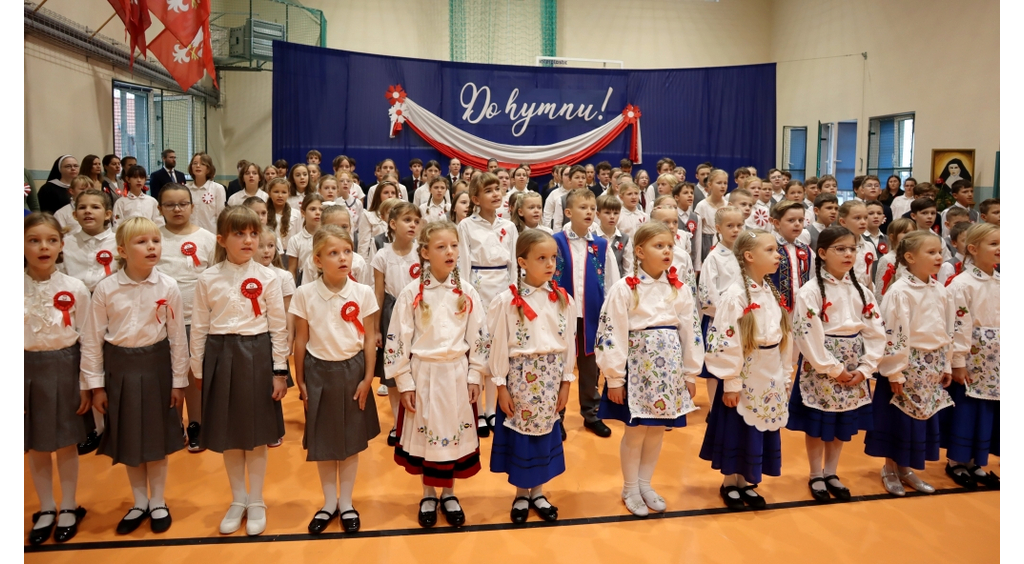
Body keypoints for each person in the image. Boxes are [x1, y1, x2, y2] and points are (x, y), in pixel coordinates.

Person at [81, 217, 188, 535]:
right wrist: (96, 385)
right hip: (120, 370)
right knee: (129, 437)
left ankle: (158, 501)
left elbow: (176, 337)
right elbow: (92, 339)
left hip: (156, 367)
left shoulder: (168, 286)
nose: (151, 247)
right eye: (141, 242)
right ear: (122, 250)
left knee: (155, 438)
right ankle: (139, 501)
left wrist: (178, 381)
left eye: (155, 241)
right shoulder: (106, 288)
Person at [190, 206, 290, 536]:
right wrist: (198, 369)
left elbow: (278, 326)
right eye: (239, 234)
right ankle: (238, 499)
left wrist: (279, 371)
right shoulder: (207, 278)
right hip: (220, 356)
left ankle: (257, 500)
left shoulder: (268, 277)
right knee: (230, 435)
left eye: (252, 233)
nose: (248, 240)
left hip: (256, 354)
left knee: (256, 434)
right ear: (221, 239)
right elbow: (200, 327)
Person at [385, 220, 489, 529]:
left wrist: (475, 375)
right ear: (425, 252)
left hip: (456, 374)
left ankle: (450, 494)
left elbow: (481, 336)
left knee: (454, 439)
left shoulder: (466, 291)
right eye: (441, 246)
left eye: (454, 245)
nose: (450, 251)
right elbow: (398, 339)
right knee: (427, 436)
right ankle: (428, 494)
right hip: (424, 375)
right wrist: (404, 381)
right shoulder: (411, 293)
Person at [595, 222, 702, 517]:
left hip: (668, 371)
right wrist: (615, 377)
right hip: (637, 370)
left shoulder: (678, 288)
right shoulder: (625, 289)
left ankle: (645, 484)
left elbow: (691, 331)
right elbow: (611, 332)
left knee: (656, 431)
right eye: (659, 246)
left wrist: (690, 373)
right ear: (640, 252)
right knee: (636, 431)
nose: (667, 251)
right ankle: (630, 487)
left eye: (670, 245)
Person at [291, 225, 380, 534]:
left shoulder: (363, 292)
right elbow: (301, 339)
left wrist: (369, 376)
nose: (343, 258)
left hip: (353, 371)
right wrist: (300, 379)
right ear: (317, 260)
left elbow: (369, 339)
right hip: (318, 372)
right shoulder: (304, 294)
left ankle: (346, 502)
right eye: (333, 253)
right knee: (324, 441)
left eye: (347, 251)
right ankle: (329, 503)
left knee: (351, 442)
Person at [789, 226, 884, 502]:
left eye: (852, 249)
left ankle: (832, 471)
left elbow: (876, 330)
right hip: (823, 364)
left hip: (854, 363)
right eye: (840, 249)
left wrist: (865, 368)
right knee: (818, 424)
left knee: (843, 421)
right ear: (822, 253)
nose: (848, 254)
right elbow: (807, 333)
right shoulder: (811, 291)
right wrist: (833, 368)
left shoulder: (861, 290)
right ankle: (815, 473)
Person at [487, 230, 575, 524]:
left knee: (545, 434)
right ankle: (521, 494)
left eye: (553, 258)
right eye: (542, 258)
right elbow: (499, 344)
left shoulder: (562, 299)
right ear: (522, 262)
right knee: (521, 437)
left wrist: (566, 381)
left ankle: (538, 491)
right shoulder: (507, 301)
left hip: (550, 378)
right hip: (521, 379)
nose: (550, 264)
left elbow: (568, 343)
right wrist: (500, 385)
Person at [701, 229, 791, 511]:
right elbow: (724, 338)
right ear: (749, 257)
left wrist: (785, 375)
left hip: (770, 371)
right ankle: (731, 482)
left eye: (777, 250)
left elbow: (783, 337)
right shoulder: (735, 296)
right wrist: (730, 381)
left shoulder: (770, 291)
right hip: (745, 373)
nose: (778, 255)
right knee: (738, 427)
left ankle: (747, 481)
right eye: (770, 250)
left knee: (760, 426)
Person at [864, 230, 956, 496]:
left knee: (920, 421)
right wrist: (894, 372)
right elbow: (893, 331)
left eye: (940, 251)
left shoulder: (940, 290)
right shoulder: (900, 291)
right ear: (909, 257)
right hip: (906, 365)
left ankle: (905, 469)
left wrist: (946, 364)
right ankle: (890, 468)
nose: (939, 256)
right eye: (931, 252)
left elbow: (948, 329)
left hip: (932, 364)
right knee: (898, 419)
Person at [24, 213, 92, 545]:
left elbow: (86, 338)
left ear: (62, 246)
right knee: (37, 444)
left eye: (51, 240)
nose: (43, 247)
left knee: (66, 441)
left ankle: (68, 504)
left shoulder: (74, 287)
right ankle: (46, 507)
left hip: (65, 367)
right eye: (34, 240)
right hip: (25, 370)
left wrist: (85, 383)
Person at [553, 188, 620, 439]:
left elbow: (612, 284)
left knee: (591, 368)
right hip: (562, 317)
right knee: (559, 365)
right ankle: (555, 416)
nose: (589, 212)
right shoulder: (556, 241)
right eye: (583, 207)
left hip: (592, 317)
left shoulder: (602, 246)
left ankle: (591, 414)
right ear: (569, 212)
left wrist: (609, 316)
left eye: (592, 208)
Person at [457, 172, 518, 437]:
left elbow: (515, 263)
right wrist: (466, 294)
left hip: (504, 288)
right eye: (489, 190)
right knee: (479, 349)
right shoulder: (466, 226)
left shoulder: (510, 226)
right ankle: (479, 410)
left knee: (498, 350)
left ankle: (492, 409)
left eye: (498, 189)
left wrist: (515, 293)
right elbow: (464, 263)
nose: (496, 194)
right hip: (478, 288)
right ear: (475, 199)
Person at [156, 184, 217, 453]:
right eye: (169, 205)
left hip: (197, 317)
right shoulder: (153, 237)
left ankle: (196, 423)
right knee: (167, 374)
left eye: (182, 203)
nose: (177, 209)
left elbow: (216, 279)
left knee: (194, 374)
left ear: (193, 207)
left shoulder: (208, 239)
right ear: (160, 209)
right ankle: (172, 425)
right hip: (159, 321)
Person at [941, 223, 1000, 489]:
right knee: (967, 408)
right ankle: (956, 461)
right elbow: (957, 326)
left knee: (988, 410)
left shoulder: (1001, 280)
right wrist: (958, 362)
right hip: (972, 355)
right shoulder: (962, 284)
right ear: (973, 249)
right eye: (994, 244)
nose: (1000, 249)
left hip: (996, 357)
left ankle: (977, 460)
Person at [371, 202, 423, 446]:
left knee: (417, 368)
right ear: (392, 224)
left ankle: (418, 421)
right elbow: (379, 295)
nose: (413, 224)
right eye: (407, 220)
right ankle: (397, 423)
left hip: (418, 313)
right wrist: (375, 329)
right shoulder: (382, 255)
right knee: (393, 370)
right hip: (391, 314)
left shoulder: (422, 252)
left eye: (416, 220)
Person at [697, 206, 745, 404]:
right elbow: (707, 294)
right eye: (730, 226)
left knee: (740, 363)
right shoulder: (714, 258)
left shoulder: (746, 254)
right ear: (718, 228)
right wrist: (726, 313)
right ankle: (712, 409)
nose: (735, 230)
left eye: (739, 225)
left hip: (744, 319)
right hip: (719, 320)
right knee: (717, 365)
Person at [60, 189, 118, 293]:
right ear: (75, 215)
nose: (87, 211)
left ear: (107, 214)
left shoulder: (118, 242)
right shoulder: (65, 243)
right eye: (82, 207)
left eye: (95, 207)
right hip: (72, 297)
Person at [769, 200, 813, 312]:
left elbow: (812, 276)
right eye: (791, 220)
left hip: (802, 307)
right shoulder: (768, 247)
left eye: (801, 220)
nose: (797, 224)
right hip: (774, 307)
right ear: (777, 223)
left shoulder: (805, 249)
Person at [874, 218, 916, 302]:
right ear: (892, 237)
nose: (910, 235)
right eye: (905, 232)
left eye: (913, 232)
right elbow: (880, 292)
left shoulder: (917, 258)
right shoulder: (887, 259)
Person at [286, 193, 325, 286]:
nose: (318, 212)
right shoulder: (295, 240)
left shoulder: (329, 237)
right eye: (312, 209)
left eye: (321, 209)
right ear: (303, 213)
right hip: (304, 283)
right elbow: (292, 271)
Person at [836, 201, 874, 291]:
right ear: (843, 221)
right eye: (857, 218)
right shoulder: (836, 247)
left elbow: (869, 278)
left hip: (865, 292)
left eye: (865, 218)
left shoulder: (869, 246)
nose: (863, 222)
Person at [694, 169, 730, 263]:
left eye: (725, 183)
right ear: (710, 185)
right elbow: (697, 232)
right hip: (707, 242)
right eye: (719, 183)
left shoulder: (728, 205)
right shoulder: (702, 205)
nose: (723, 186)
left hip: (724, 242)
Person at [185, 153, 226, 234]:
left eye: (202, 164)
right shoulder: (185, 189)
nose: (198, 166)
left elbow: (221, 216)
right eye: (195, 163)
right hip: (189, 234)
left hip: (211, 234)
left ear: (208, 169)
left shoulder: (217, 188)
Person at [357, 179, 398, 261]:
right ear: (378, 195)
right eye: (386, 193)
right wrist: (364, 266)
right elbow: (363, 245)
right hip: (376, 259)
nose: (390, 195)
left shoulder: (402, 215)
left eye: (393, 193)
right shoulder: (368, 216)